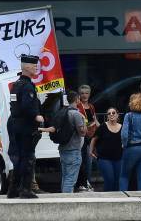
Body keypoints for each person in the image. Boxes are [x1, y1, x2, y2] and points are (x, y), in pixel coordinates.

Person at [6, 54, 43, 199]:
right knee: (27, 157)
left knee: (18, 158)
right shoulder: (27, 85)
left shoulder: (16, 84)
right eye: (34, 65)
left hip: (15, 124)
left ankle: (13, 189)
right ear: (26, 67)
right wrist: (36, 115)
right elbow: (27, 105)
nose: (36, 67)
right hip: (26, 126)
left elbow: (15, 104)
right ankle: (25, 189)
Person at [42, 90, 86, 193]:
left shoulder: (62, 112)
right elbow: (82, 132)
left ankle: (62, 199)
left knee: (65, 178)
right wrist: (85, 123)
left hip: (63, 149)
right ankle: (66, 202)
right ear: (77, 100)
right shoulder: (76, 114)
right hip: (74, 150)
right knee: (70, 180)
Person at [89, 107, 122, 191]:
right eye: (109, 113)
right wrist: (91, 151)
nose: (111, 114)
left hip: (119, 158)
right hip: (104, 158)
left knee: (117, 181)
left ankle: (117, 200)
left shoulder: (122, 127)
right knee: (109, 180)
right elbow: (94, 139)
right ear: (107, 116)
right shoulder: (103, 126)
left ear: (117, 115)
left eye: (113, 113)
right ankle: (108, 200)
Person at [75, 84, 99, 192]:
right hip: (81, 137)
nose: (84, 95)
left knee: (88, 161)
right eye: (82, 93)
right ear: (79, 95)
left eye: (87, 93)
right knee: (81, 161)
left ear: (89, 94)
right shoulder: (77, 106)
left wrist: (104, 127)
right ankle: (81, 183)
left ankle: (87, 182)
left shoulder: (91, 106)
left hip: (90, 137)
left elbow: (95, 121)